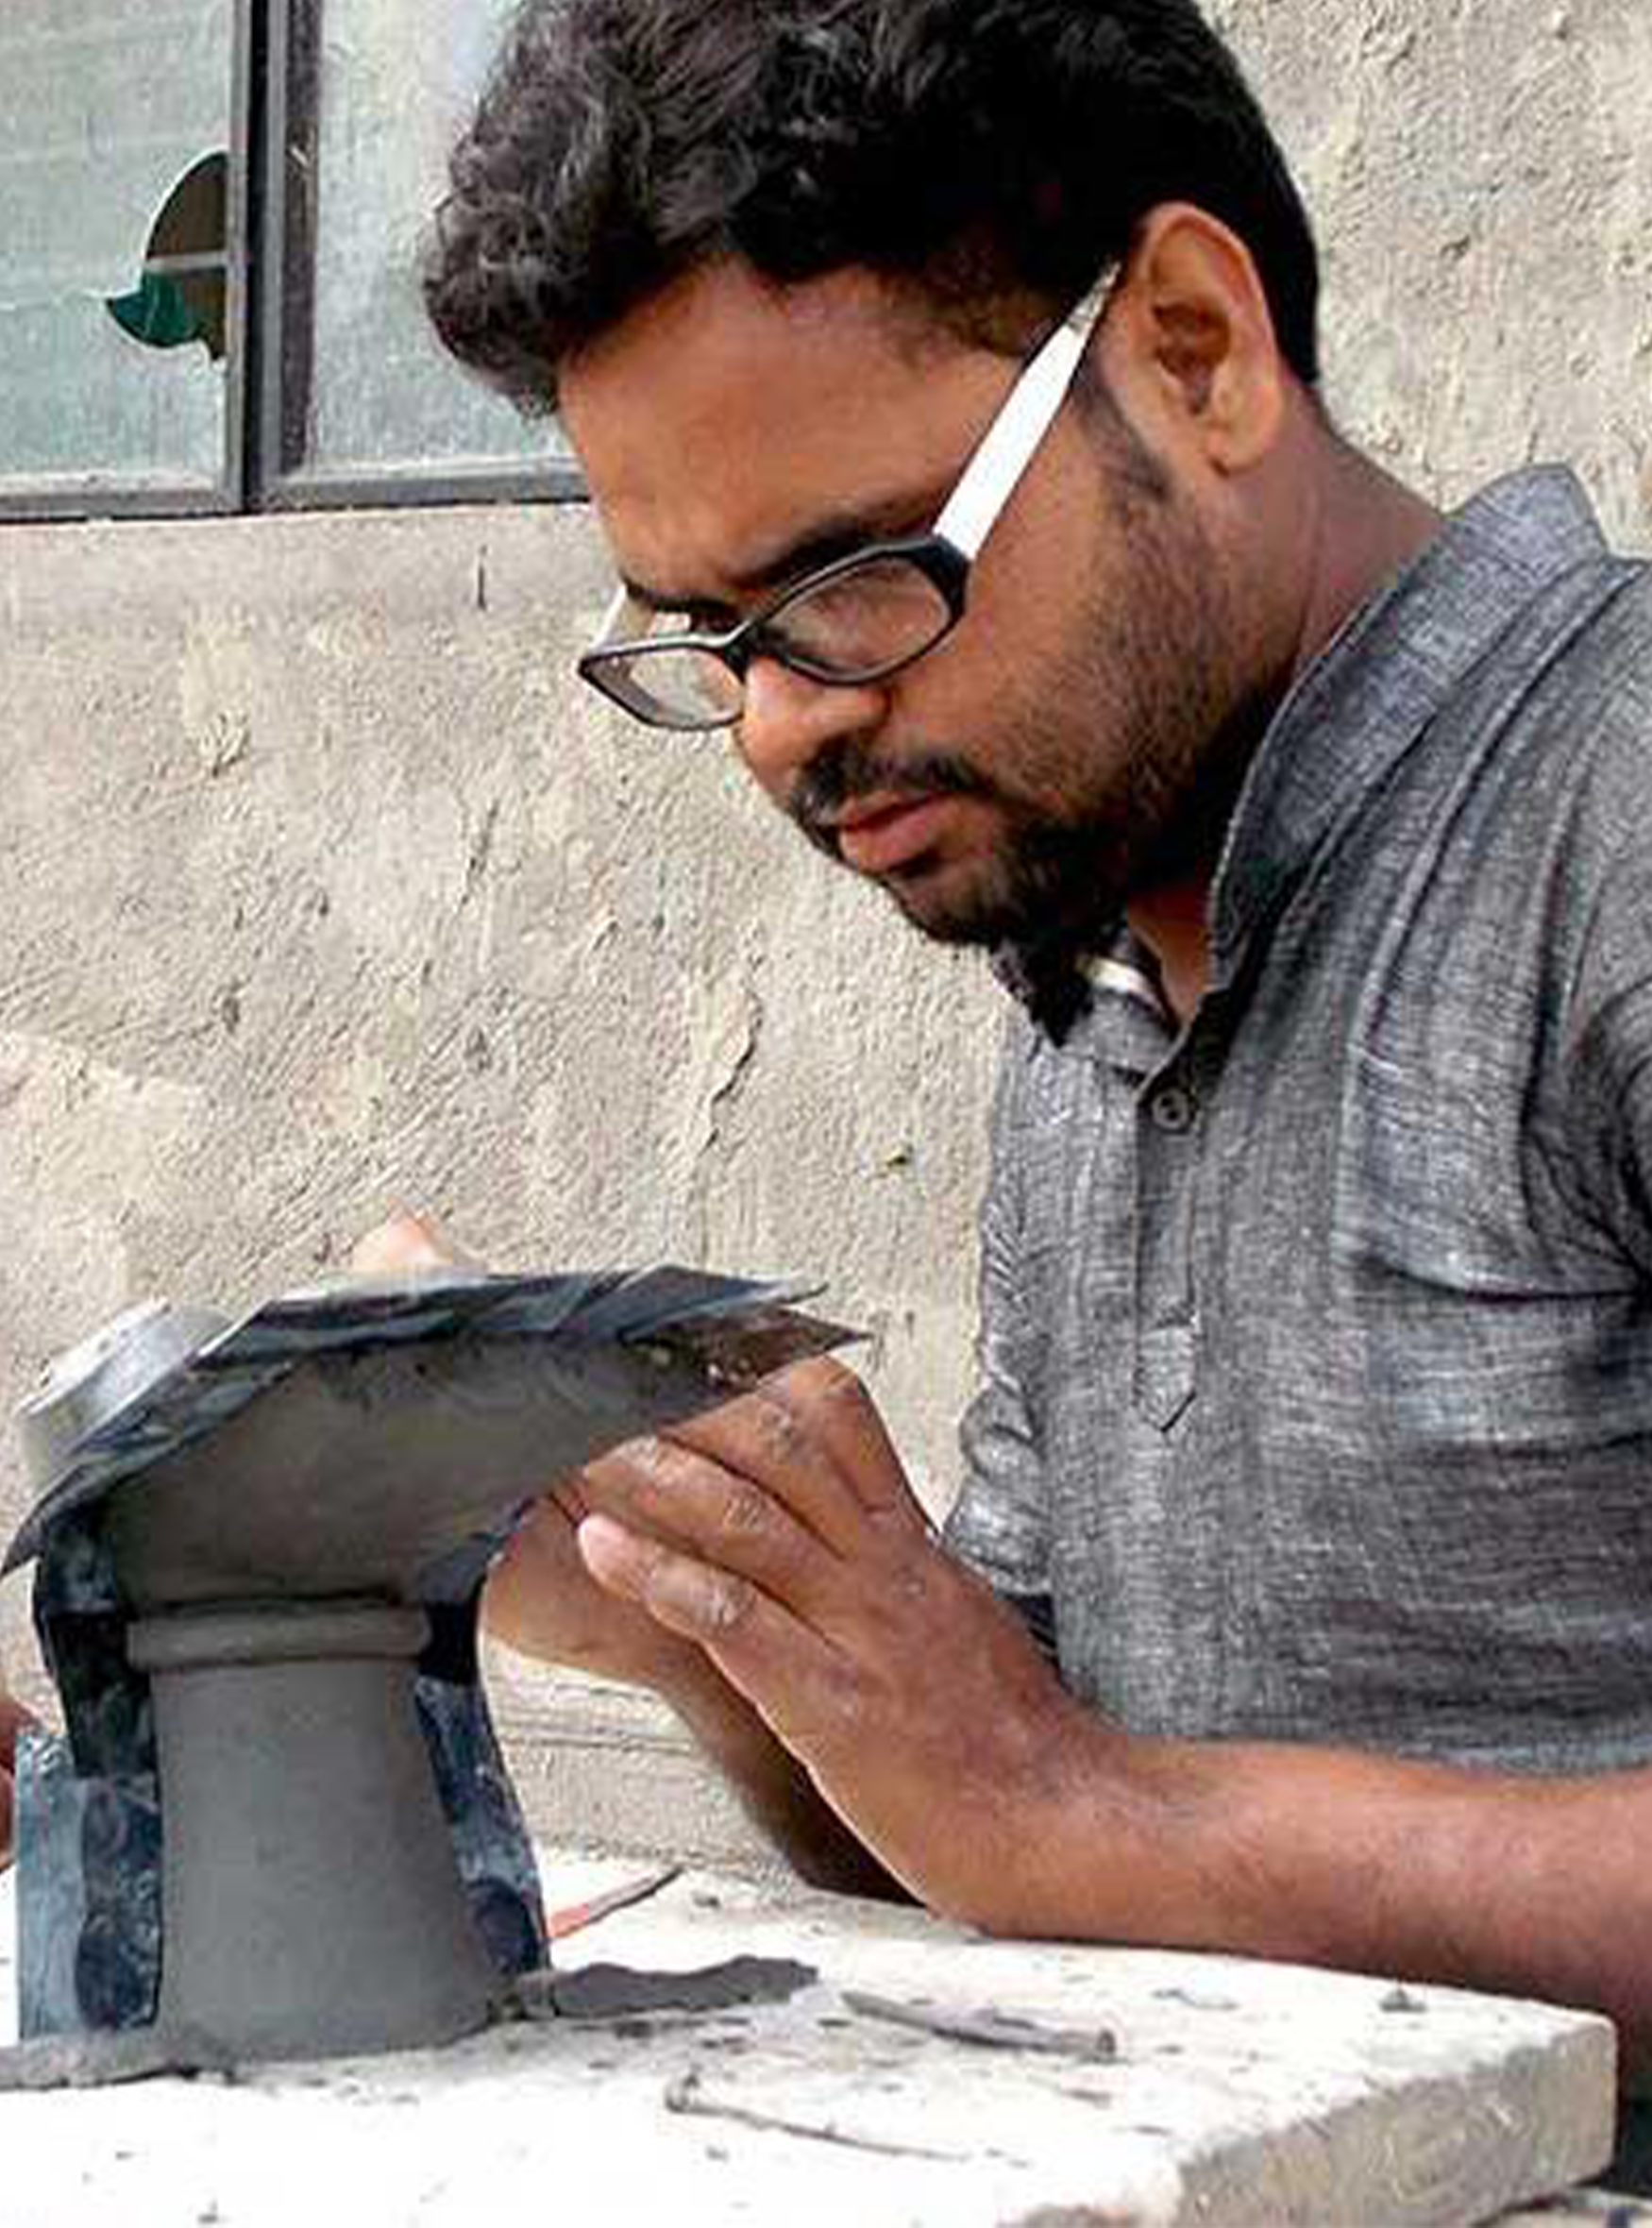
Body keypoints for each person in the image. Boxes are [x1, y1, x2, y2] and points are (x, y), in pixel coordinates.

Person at [415, 0, 1652, 2117]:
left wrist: (1077, 1801)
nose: (783, 726)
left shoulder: (1603, 817)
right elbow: (1021, 1835)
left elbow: (1076, 1816)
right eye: (704, 638)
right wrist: (703, 1619)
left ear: (1190, 346)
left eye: (852, 579)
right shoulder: (1090, 971)